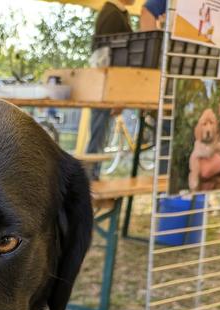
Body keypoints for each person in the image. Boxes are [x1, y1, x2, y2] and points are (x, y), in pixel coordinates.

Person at [86, 0, 134, 178]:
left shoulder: (116, 13)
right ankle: (88, 181)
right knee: (98, 139)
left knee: (99, 138)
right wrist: (117, 95)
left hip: (106, 86)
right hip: (105, 87)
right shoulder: (112, 15)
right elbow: (106, 57)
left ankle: (90, 179)